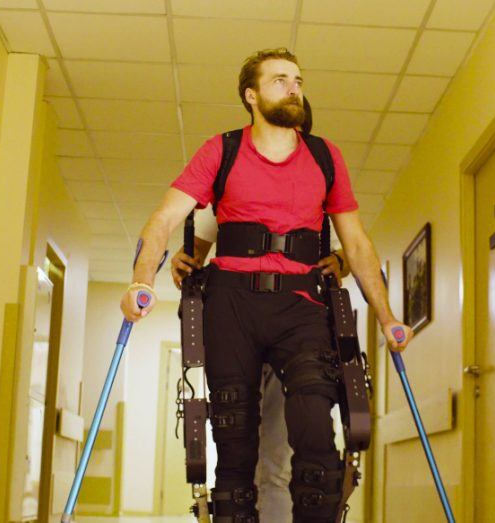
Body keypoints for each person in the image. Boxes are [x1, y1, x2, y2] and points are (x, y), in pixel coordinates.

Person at [121, 48, 413, 523]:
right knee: (234, 451)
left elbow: (356, 243)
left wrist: (388, 317)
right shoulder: (223, 150)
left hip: (300, 305)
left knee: (316, 433)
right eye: (280, 79)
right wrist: (140, 280)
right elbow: (164, 218)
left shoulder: (325, 157)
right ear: (251, 95)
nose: (294, 86)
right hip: (231, 304)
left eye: (298, 79)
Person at [171, 205, 349, 522]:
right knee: (239, 459)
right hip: (236, 330)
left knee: (278, 461)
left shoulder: (313, 200)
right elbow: (193, 255)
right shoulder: (228, 199)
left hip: (295, 339)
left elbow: (345, 257)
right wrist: (184, 264)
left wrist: (339, 262)